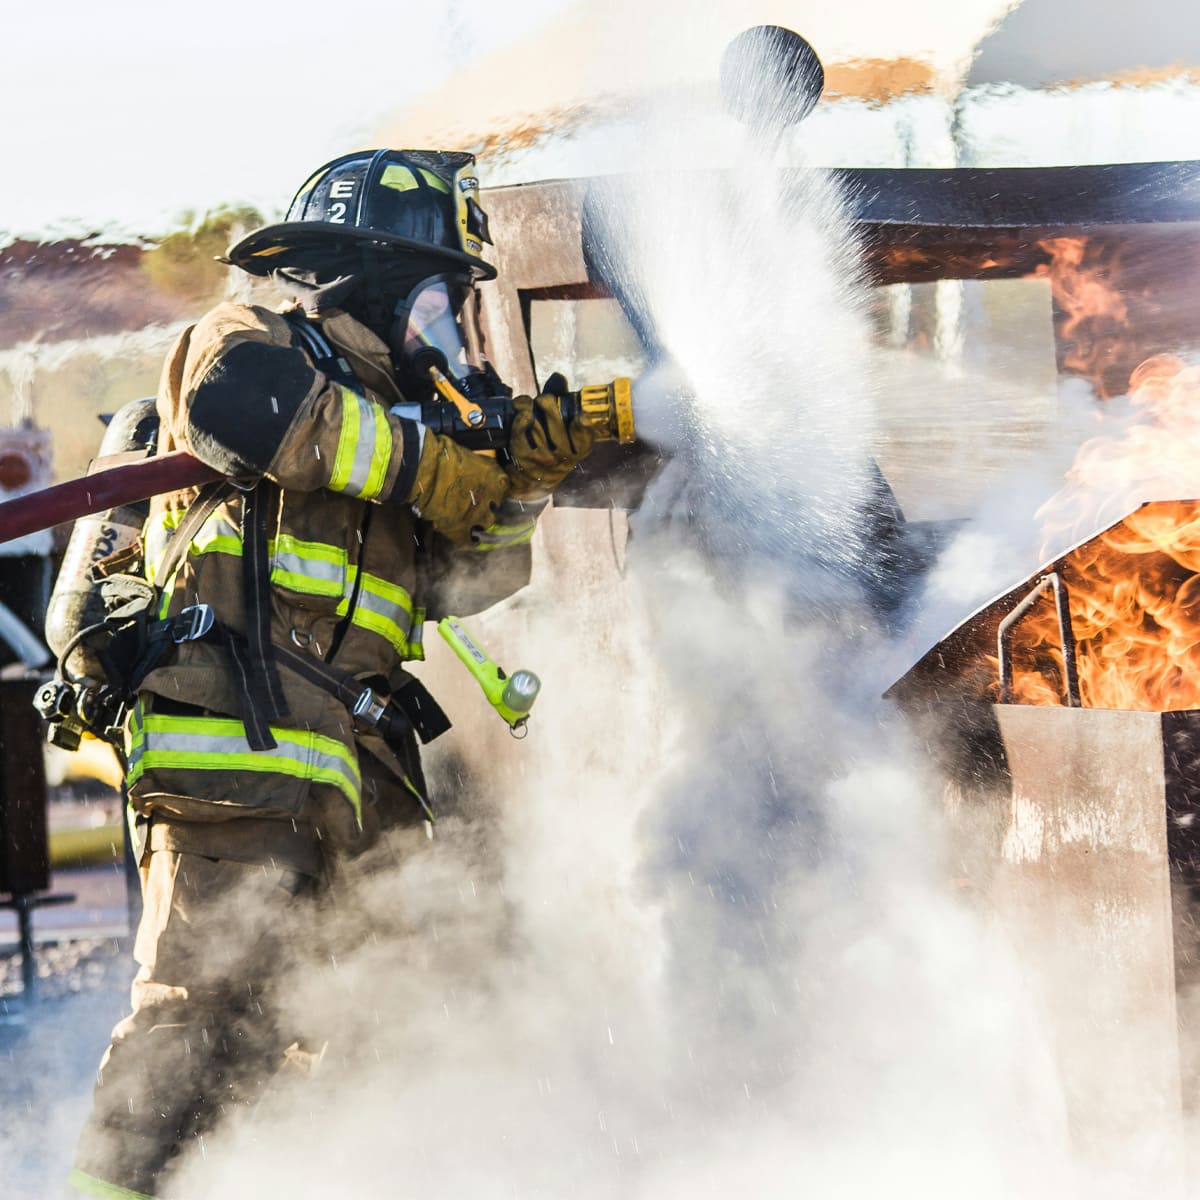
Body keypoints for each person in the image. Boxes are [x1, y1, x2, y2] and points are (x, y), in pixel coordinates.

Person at [68, 148, 595, 1199]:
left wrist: (521, 483)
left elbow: (463, 581)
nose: (453, 334)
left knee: (364, 1028)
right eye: (441, 302)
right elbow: (242, 407)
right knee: (192, 1024)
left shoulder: (400, 418)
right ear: (374, 280)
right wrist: (432, 460)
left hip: (355, 770)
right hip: (232, 753)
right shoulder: (253, 341)